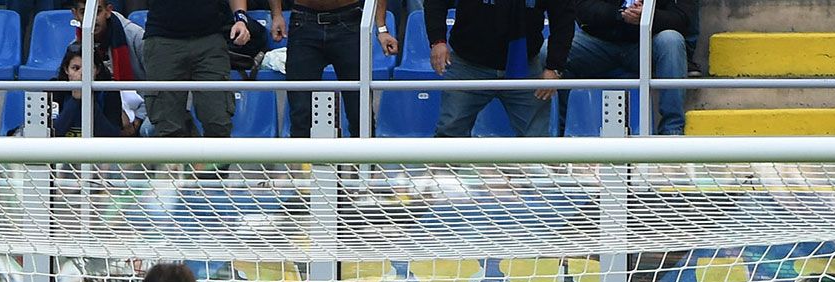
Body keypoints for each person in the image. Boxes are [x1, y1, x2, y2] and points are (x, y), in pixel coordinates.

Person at [428, 0, 573, 138]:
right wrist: (437, 41)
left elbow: (563, 17)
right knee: (449, 135)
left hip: (524, 66)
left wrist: (554, 67)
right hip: (468, 64)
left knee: (537, 141)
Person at [564, 0, 695, 136]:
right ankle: (556, 134)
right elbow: (583, 8)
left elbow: (683, 19)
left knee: (671, 41)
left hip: (645, 44)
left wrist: (648, 16)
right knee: (552, 52)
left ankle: (671, 131)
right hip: (599, 44)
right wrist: (621, 14)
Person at [274, 0, 398, 138]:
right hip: (303, 22)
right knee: (300, 110)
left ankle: (364, 158)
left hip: (349, 21)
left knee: (359, 109)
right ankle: (299, 159)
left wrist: (381, 29)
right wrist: (277, 15)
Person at [141, 0, 254, 138]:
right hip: (163, 40)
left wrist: (240, 19)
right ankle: (175, 160)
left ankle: (217, 159)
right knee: (168, 126)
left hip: (210, 39)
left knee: (218, 120)